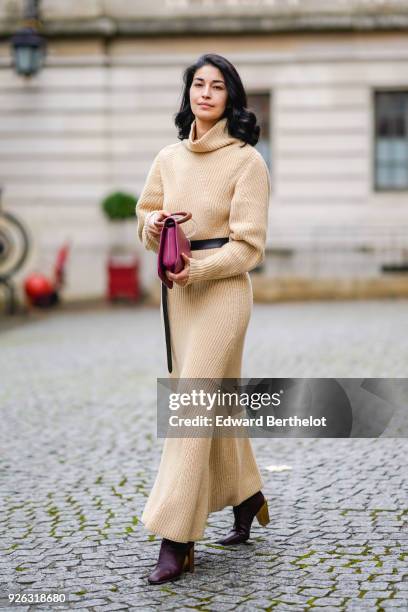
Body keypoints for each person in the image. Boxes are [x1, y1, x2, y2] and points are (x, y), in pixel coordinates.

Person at [136, 53, 271, 585]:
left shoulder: (247, 162)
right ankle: (248, 495)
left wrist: (200, 269)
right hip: (178, 293)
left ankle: (176, 539)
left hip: (222, 294)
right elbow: (144, 216)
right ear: (188, 93)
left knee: (192, 405)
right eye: (198, 84)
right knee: (215, 403)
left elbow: (250, 247)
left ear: (231, 97)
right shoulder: (168, 157)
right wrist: (156, 224)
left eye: (217, 86)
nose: (206, 93)